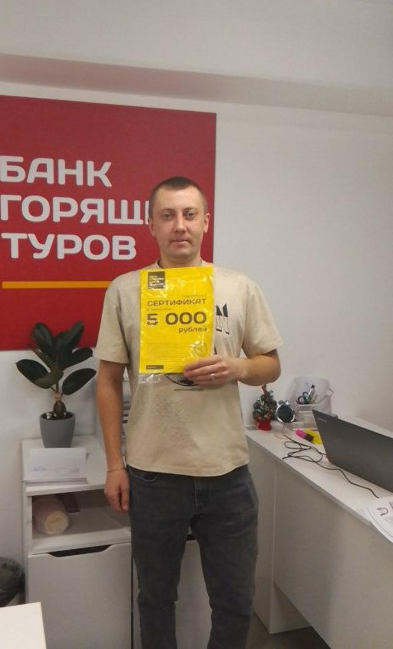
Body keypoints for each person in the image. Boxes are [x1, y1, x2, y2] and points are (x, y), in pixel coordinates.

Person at [95, 176, 282, 649]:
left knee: (236, 600)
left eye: (189, 214)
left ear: (205, 222)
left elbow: (271, 364)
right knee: (156, 598)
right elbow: (108, 381)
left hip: (227, 472)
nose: (180, 225)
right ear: (150, 225)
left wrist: (237, 367)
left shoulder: (239, 287)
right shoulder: (125, 290)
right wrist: (114, 464)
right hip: (153, 472)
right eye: (168, 215)